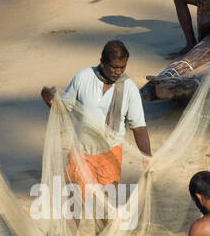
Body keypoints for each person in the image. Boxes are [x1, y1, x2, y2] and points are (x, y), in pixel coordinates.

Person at [40, 40, 152, 189]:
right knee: (79, 198)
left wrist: (147, 157)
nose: (118, 72)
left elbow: (139, 127)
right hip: (81, 151)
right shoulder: (83, 77)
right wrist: (48, 99)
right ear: (102, 63)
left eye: (122, 67)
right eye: (114, 67)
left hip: (110, 151)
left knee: (106, 198)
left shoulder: (129, 88)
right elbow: (62, 108)